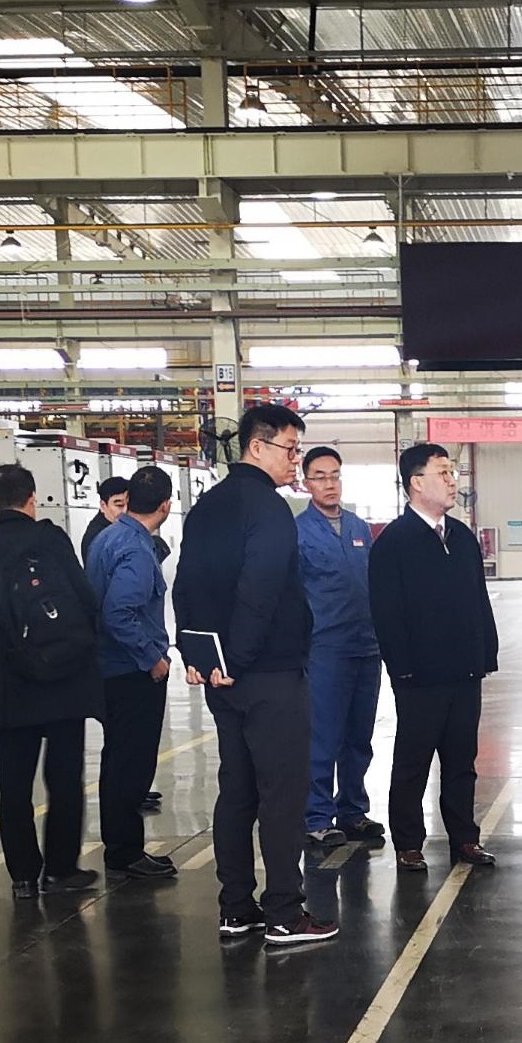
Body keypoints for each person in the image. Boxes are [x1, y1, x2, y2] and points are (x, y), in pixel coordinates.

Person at [172, 404, 336, 945]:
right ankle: (285, 911)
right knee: (282, 795)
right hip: (268, 674)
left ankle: (236, 908)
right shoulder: (269, 509)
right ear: (257, 446)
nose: (295, 461)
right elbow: (259, 592)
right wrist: (237, 661)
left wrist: (201, 657)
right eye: (290, 449)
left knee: (237, 791)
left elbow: (185, 585)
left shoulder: (207, 506)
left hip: (222, 676)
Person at [0, 463, 112, 900]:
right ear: (33, 499)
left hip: (10, 685)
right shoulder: (51, 540)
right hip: (63, 679)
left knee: (14, 786)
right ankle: (61, 870)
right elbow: (85, 600)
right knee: (63, 779)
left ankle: (23, 876)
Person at [370, 444, 501, 872]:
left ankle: (465, 838)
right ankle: (409, 843)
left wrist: (486, 653)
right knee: (414, 762)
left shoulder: (461, 537)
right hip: (420, 677)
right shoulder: (394, 542)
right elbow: (386, 613)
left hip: (464, 671)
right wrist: (402, 669)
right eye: (442, 473)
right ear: (416, 483)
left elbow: (478, 599)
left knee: (462, 762)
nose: (451, 481)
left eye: (452, 472)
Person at [84, 465, 181, 880]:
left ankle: (120, 847)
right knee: (132, 764)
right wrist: (151, 658)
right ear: (166, 505)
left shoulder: (108, 537)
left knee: (118, 760)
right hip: (131, 672)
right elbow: (119, 613)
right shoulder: (137, 550)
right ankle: (125, 852)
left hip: (109, 669)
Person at [295, 447, 385, 849]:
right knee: (323, 736)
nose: (329, 484)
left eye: (335, 475)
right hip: (325, 648)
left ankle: (353, 811)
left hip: (366, 646)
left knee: (358, 736)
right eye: (320, 476)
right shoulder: (298, 532)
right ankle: (316, 817)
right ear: (306, 483)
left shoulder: (358, 527)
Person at [79, 475, 131, 570]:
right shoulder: (99, 536)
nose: (125, 511)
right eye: (119, 505)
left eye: (129, 505)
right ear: (103, 506)